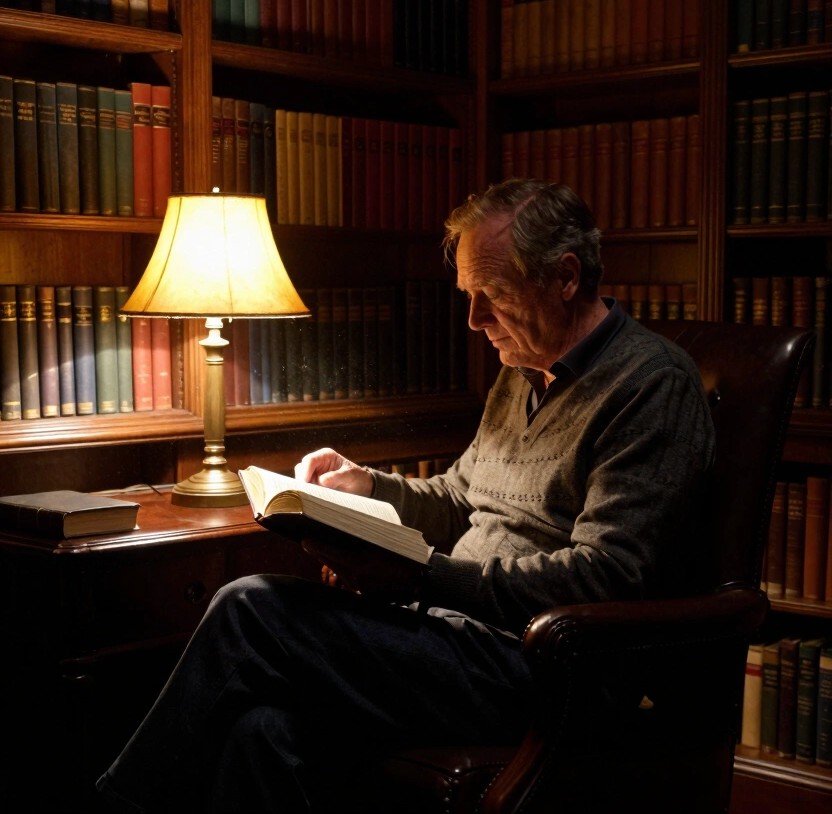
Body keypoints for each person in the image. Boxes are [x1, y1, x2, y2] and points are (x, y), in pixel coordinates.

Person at [97, 180, 715, 813]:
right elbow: (460, 496)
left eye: (493, 295)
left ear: (565, 277)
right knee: (264, 732)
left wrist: (423, 575)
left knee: (250, 607)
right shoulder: (523, 368)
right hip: (458, 639)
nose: (474, 320)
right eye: (468, 296)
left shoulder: (651, 385)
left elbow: (605, 576)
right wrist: (366, 485)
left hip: (545, 664)